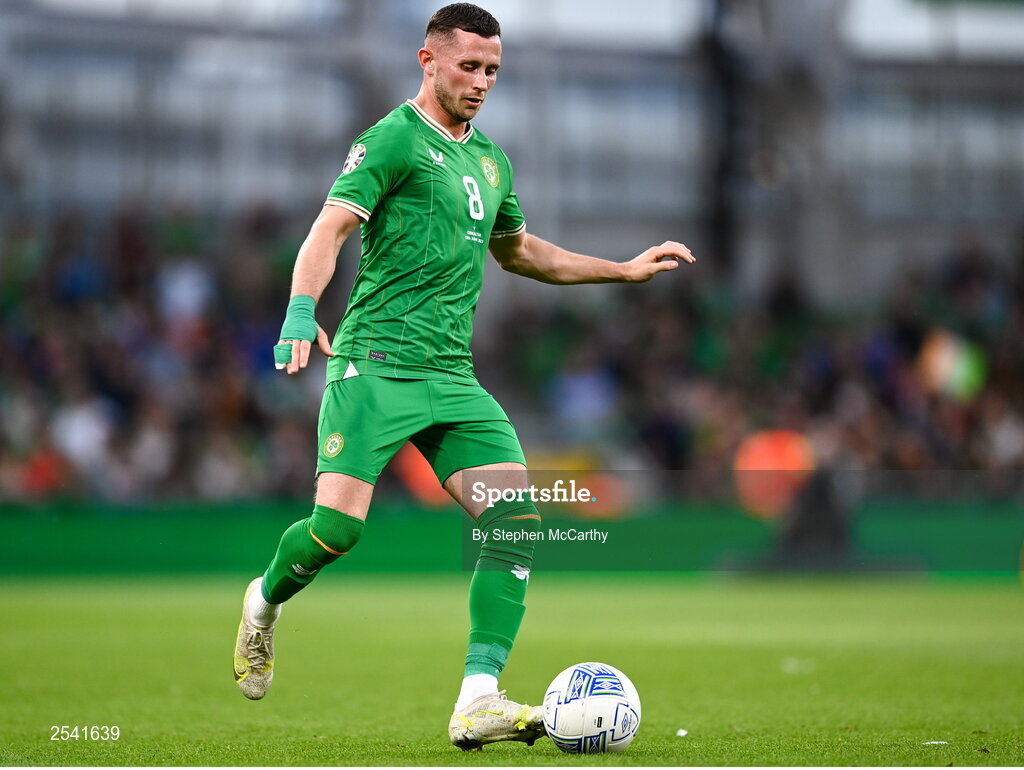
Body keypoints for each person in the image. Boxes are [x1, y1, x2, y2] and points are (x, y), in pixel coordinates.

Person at [232, 2, 695, 751]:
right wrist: (296, 311)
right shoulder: (391, 139)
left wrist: (623, 269)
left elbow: (520, 253)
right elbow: (330, 227)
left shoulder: (491, 160)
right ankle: (263, 600)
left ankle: (479, 696)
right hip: (374, 365)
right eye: (469, 67)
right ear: (428, 60)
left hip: (451, 377)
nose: (482, 82)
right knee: (338, 531)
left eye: (493, 71)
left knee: (514, 522)